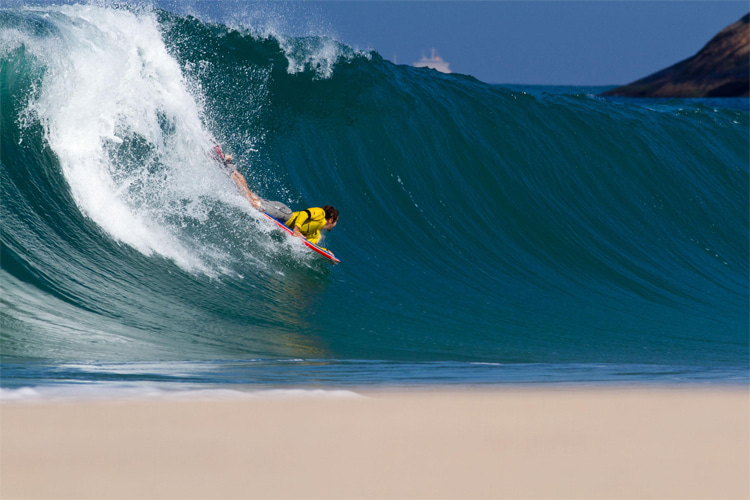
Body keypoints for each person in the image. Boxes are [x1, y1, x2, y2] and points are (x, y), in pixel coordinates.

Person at [221, 153, 338, 252]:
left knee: (250, 195)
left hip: (282, 219)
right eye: (336, 221)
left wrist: (326, 252)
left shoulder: (315, 234)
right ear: (331, 219)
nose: (335, 225)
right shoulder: (320, 213)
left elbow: (309, 245)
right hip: (284, 214)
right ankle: (225, 166)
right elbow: (304, 214)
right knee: (252, 201)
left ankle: (228, 164)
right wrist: (296, 230)